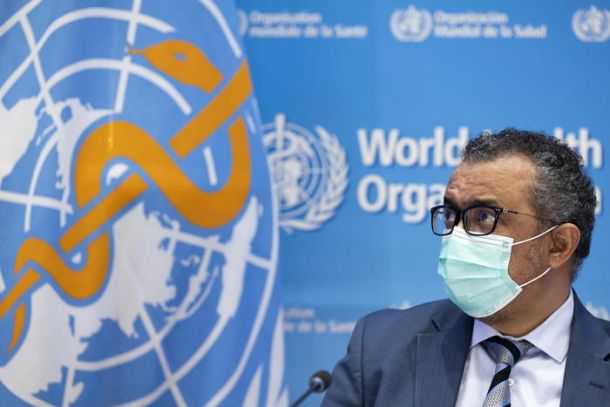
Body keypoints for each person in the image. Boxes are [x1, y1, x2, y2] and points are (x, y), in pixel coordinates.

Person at [322, 129, 610, 406]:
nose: (456, 235)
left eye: (484, 216)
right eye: (450, 214)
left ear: (559, 245)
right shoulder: (380, 346)